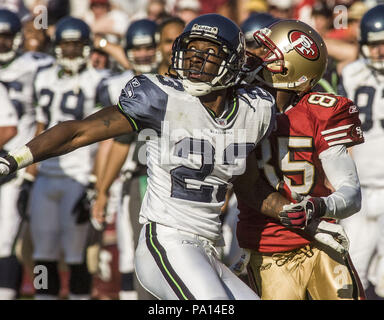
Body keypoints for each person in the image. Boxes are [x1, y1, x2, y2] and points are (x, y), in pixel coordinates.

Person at [0, 13, 276, 300]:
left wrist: (305, 213)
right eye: (192, 49)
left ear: (232, 60)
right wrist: (12, 160)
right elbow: (77, 133)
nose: (195, 58)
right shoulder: (162, 97)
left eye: (208, 51)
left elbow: (250, 184)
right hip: (167, 241)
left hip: (207, 248)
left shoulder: (253, 109)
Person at [233, 19, 366, 300]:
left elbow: (351, 193)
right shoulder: (239, 106)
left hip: (319, 240)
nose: (258, 58)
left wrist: (319, 207)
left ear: (291, 68)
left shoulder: (321, 112)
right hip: (267, 245)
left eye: (268, 54)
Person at [25, 16, 111, 300]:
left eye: (77, 45)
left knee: (77, 256)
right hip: (46, 179)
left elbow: (106, 135)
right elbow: (40, 127)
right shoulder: (44, 76)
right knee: (43, 253)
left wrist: (96, 184)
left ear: (86, 46)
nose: (71, 51)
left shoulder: (99, 79)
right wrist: (30, 174)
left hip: (79, 176)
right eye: (66, 45)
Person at [93, 18, 161, 300]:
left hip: (174, 176)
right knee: (138, 251)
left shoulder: (172, 79)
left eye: (149, 47)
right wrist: (100, 189)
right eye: (138, 48)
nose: (144, 54)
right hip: (139, 176)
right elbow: (114, 143)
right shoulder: (121, 85)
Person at [0, 8, 53, 300]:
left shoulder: (36, 63)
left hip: (18, 161)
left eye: (6, 37)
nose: (1, 43)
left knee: (9, 239)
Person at [338, 4, 384, 298]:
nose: (380, 52)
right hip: (359, 189)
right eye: (375, 45)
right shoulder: (351, 73)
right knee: (348, 274)